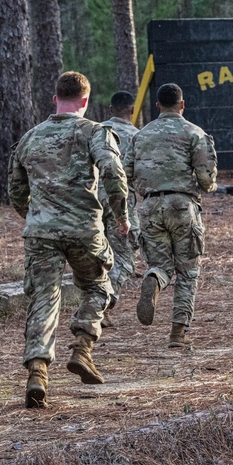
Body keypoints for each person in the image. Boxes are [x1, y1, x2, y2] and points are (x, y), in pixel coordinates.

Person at [8, 71, 129, 409]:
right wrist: (120, 216)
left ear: (54, 98)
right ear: (86, 101)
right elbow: (114, 174)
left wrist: (34, 217)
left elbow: (15, 191)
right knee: (99, 287)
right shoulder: (94, 132)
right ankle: (82, 349)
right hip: (83, 229)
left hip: (40, 232)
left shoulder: (30, 137)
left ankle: (37, 372)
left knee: (43, 298)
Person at [124, 83, 217, 349]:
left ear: (157, 106)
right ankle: (178, 332)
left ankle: (153, 279)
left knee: (162, 266)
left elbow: (126, 173)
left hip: (150, 207)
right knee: (188, 272)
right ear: (182, 104)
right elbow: (207, 180)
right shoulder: (194, 133)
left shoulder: (140, 135)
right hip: (182, 205)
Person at [99, 91, 140, 328]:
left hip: (90, 200)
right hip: (121, 202)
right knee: (124, 258)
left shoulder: (94, 131)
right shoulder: (137, 137)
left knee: (95, 255)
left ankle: (94, 299)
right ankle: (101, 304)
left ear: (110, 109)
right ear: (132, 111)